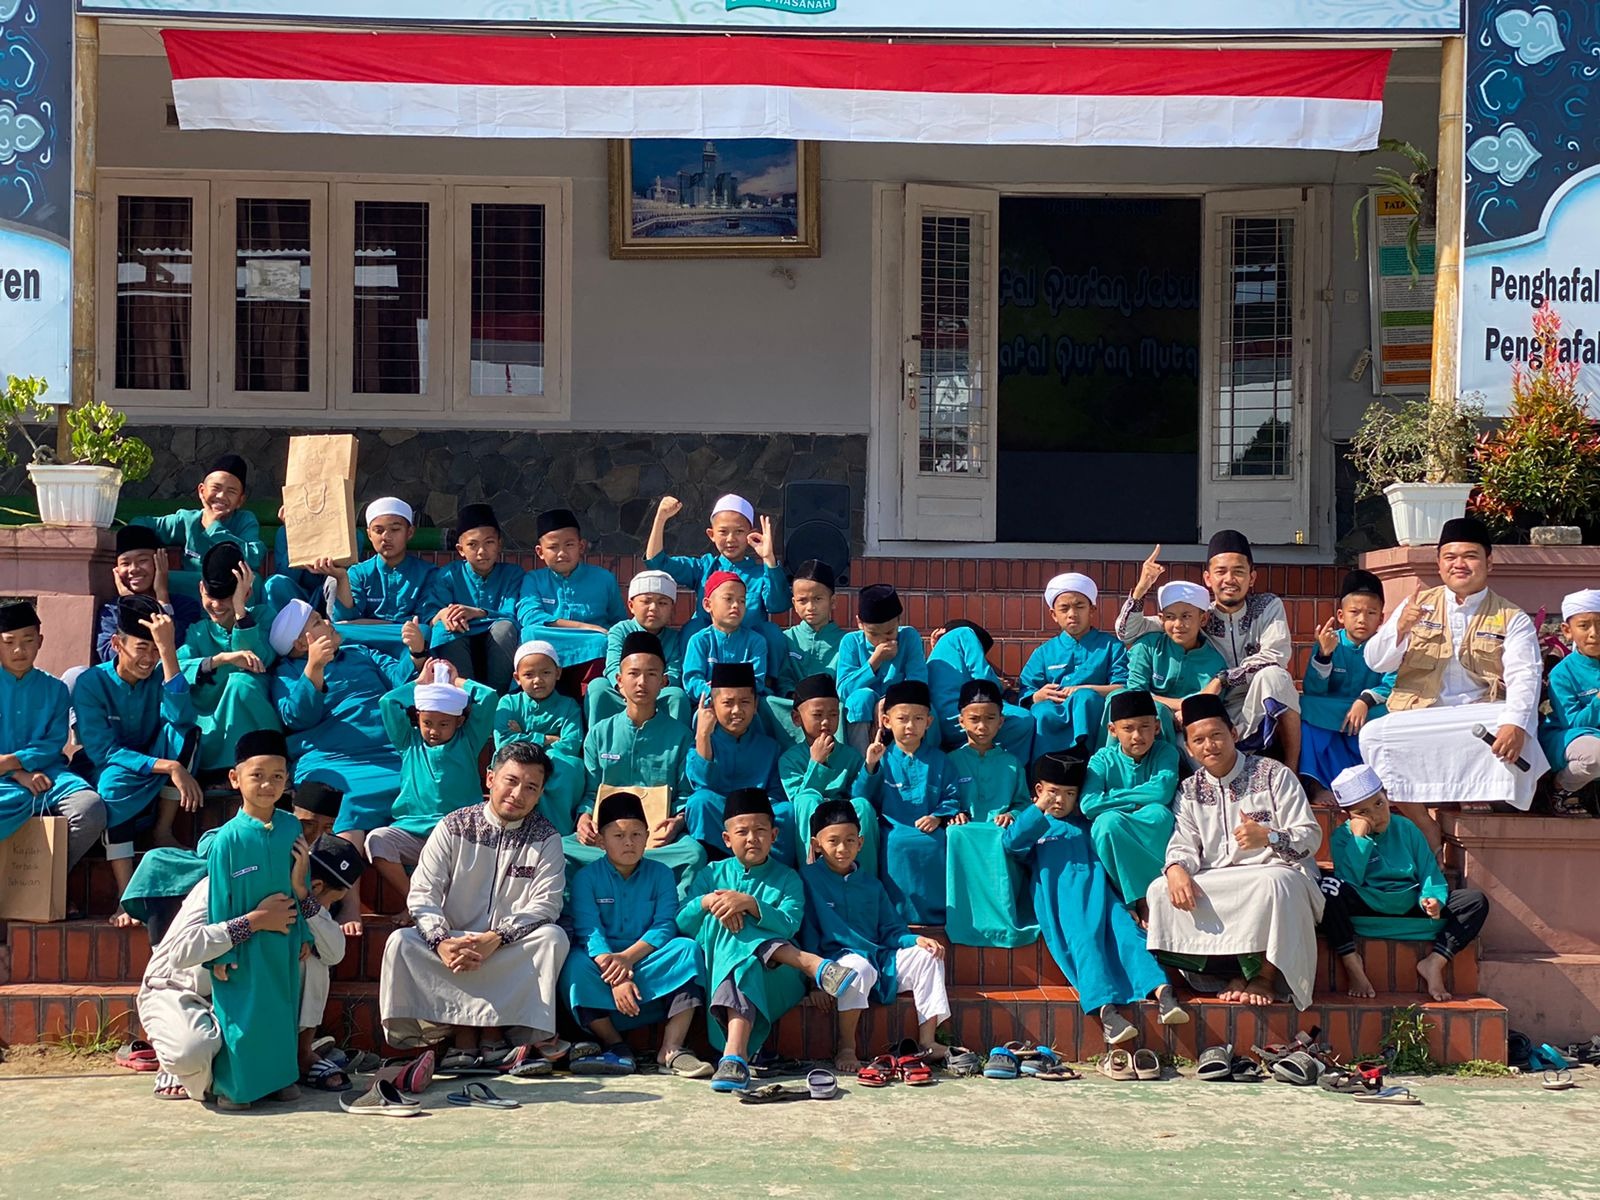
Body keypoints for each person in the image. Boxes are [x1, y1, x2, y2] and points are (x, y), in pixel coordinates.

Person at [379, 742, 572, 1076]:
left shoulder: (546, 837)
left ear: (540, 794)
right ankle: (462, 1035)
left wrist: (497, 936)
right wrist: (440, 942)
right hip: (450, 946)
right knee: (401, 944)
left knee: (552, 938)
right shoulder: (454, 826)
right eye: (511, 781)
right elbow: (423, 893)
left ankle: (495, 1035)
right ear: (490, 778)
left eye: (530, 787)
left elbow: (547, 903)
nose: (517, 794)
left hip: (507, 946)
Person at [1358, 516, 1547, 849]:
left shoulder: (1511, 616)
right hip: (1421, 714)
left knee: (1511, 724)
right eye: (1450, 557)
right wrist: (1401, 627)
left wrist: (1516, 725)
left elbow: (1524, 675)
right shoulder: (1416, 605)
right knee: (1374, 734)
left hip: (1478, 716)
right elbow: (1376, 660)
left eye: (1470, 556)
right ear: (1439, 563)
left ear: (1489, 561)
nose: (1459, 564)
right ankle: (1423, 823)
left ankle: (1482, 800)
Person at [1145, 693, 1325, 1009]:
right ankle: (1230, 973)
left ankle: (1265, 977)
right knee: (1160, 891)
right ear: (1188, 748)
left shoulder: (1273, 774)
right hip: (1218, 876)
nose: (1209, 745)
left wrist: (1268, 837)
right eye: (1198, 740)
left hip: (1276, 870)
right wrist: (1175, 868)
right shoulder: (1189, 790)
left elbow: (1309, 836)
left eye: (1216, 735)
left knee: (1274, 885)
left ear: (1234, 734)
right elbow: (1183, 842)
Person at [675, 787, 854, 1093]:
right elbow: (683, 924)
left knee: (735, 929)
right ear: (727, 839)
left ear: (774, 835)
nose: (752, 838)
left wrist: (750, 904)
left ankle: (733, 1057)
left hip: (778, 980)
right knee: (730, 935)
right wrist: (706, 902)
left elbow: (789, 924)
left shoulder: (788, 878)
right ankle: (813, 965)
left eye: (760, 830)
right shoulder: (709, 875)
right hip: (719, 973)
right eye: (742, 831)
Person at [1005, 751, 1186, 1045]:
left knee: (1130, 935)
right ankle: (1107, 1015)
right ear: (1038, 790)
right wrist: (1038, 809)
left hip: (1104, 896)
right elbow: (1012, 844)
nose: (1060, 800)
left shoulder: (1088, 825)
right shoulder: (1036, 827)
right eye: (1053, 792)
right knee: (1085, 944)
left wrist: (1126, 903)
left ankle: (1163, 993)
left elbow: (1114, 863)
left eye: (1069, 793)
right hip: (1064, 903)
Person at [558, 791, 713, 1079]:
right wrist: (616, 974)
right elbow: (588, 930)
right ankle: (615, 1045)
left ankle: (672, 1049)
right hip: (603, 964)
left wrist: (628, 960)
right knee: (574, 966)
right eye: (618, 835)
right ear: (601, 840)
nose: (628, 842)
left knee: (687, 950)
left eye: (636, 834)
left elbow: (666, 925)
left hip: (646, 957)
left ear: (647, 836)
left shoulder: (662, 874)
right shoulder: (586, 879)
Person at [1117, 536, 1303, 770]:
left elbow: (1275, 655)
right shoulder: (1196, 614)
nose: (1229, 580)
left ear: (1252, 577)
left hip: (1256, 698)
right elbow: (1127, 632)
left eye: (1238, 571)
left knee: (1277, 677)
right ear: (1208, 578)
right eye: (1221, 572)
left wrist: (1222, 679)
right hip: (1212, 706)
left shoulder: (1267, 607)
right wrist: (1142, 588)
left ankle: (1293, 767)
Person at [801, 799, 951, 1074]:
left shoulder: (871, 883)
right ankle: (846, 1046)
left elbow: (891, 929)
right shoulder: (807, 880)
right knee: (856, 970)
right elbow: (807, 932)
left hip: (880, 959)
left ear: (860, 842)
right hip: (838, 963)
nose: (842, 848)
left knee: (927, 956)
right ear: (816, 844)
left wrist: (914, 940)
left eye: (849, 840)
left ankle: (928, 1041)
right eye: (833, 841)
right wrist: (814, 982)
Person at [203, 728, 311, 1110]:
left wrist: (303, 934)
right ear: (235, 779)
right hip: (241, 948)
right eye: (257, 775)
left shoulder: (291, 826)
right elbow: (219, 901)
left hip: (282, 941)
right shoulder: (227, 839)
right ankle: (238, 1088)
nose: (267, 784)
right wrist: (219, 954)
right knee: (243, 1016)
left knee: (281, 1011)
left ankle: (281, 1079)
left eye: (277, 776)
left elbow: (303, 884)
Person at [1319, 764, 1490, 1002]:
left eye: (1378, 804)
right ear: (1350, 815)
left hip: (1410, 902)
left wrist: (1432, 898)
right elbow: (1349, 880)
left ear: (1387, 798)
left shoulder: (1406, 828)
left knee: (1475, 901)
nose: (1376, 815)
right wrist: (1360, 839)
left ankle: (1435, 962)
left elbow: (1429, 871)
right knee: (1327, 889)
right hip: (1368, 902)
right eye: (1363, 812)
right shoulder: (1343, 837)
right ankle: (1351, 961)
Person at [74, 595, 200, 919]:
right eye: (141, 649)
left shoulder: (160, 672)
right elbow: (103, 751)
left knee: (186, 734)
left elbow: (182, 716)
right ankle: (125, 893)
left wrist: (168, 653)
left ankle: (163, 829)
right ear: (117, 643)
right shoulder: (91, 682)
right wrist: (169, 766)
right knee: (114, 783)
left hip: (150, 759)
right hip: (111, 767)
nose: (149, 660)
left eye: (154, 650)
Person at [269, 601, 418, 861]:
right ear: (301, 644)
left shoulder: (358, 651)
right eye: (317, 621)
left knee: (425, 781)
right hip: (330, 759)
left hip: (388, 755)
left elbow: (400, 680)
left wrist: (416, 652)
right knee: (338, 800)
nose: (328, 622)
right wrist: (314, 669)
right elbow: (296, 718)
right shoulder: (287, 673)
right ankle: (345, 900)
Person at [568, 631, 705, 893]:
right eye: (633, 673)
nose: (642, 682)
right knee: (561, 849)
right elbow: (590, 791)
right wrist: (584, 819)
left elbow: (686, 794)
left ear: (664, 681)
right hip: (606, 837)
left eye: (652, 674)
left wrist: (677, 822)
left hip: (656, 838)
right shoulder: (600, 733)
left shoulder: (681, 736)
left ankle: (672, 920)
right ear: (619, 680)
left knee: (693, 855)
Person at [366, 660, 497, 910]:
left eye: (443, 724)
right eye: (427, 723)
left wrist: (457, 682)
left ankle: (448, 908)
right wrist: (420, 683)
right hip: (413, 831)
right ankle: (416, 903)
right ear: (418, 719)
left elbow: (488, 697)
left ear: (459, 722)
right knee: (377, 840)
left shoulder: (467, 741)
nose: (434, 731)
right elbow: (388, 703)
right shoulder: (409, 742)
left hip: (457, 833)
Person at [0, 601, 105, 871]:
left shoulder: (56, 689)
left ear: (40, 641)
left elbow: (51, 744)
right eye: (9, 641)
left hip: (48, 776)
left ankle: (49, 885)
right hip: (7, 780)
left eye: (28, 640)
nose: (19, 650)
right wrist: (17, 774)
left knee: (90, 809)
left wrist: (13, 761)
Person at [943, 679, 1038, 948]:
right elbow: (944, 800)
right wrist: (954, 813)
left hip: (999, 831)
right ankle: (967, 923)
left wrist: (1012, 815)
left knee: (1001, 838)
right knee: (956, 834)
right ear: (961, 721)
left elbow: (1023, 803)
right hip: (967, 831)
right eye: (974, 719)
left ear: (1001, 722)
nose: (982, 726)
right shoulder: (950, 761)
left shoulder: (1011, 764)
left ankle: (1002, 925)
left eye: (989, 718)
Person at [645, 492, 790, 668]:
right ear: (711, 534)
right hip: (711, 650)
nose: (731, 539)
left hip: (748, 651)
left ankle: (767, 687)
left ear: (751, 535)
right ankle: (692, 683)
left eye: (739, 531)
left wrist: (769, 558)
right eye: (723, 532)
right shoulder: (704, 567)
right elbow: (656, 562)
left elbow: (779, 605)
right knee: (693, 628)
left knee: (771, 632)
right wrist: (660, 518)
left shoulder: (761, 572)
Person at [857, 680, 959, 925]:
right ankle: (898, 917)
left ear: (929, 722)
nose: (910, 726)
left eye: (918, 719)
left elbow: (952, 795)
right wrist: (870, 765)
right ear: (887, 721)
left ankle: (937, 916)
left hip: (932, 830)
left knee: (938, 843)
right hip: (893, 829)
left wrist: (938, 816)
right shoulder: (883, 757)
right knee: (896, 846)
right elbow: (861, 797)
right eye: (902, 719)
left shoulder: (940, 760)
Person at [178, 542, 280, 780]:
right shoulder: (198, 631)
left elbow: (259, 659)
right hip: (210, 725)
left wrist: (240, 613)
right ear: (201, 589)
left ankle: (270, 762)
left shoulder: (263, 616)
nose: (216, 605)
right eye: (211, 596)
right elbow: (171, 669)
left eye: (227, 598)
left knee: (240, 683)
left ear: (246, 593)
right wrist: (220, 660)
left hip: (256, 726)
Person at [1081, 688, 1180, 915]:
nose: (1137, 736)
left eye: (1145, 727)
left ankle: (1153, 891)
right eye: (1128, 728)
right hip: (1115, 828)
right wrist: (1135, 803)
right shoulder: (1101, 759)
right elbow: (1088, 805)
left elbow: (1162, 793)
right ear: (1113, 730)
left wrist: (1113, 797)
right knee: (1108, 824)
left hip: (1148, 824)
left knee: (1158, 814)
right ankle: (1135, 899)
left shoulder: (1165, 752)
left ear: (1156, 727)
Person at [1300, 570, 1394, 800]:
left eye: (1371, 613)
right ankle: (1317, 785)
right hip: (1334, 711)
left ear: (1381, 618)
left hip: (1371, 710)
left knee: (1394, 713)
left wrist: (1365, 700)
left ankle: (1380, 786)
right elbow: (1314, 689)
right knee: (1306, 706)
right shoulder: (1331, 641)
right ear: (1341, 615)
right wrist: (1324, 655)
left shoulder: (1387, 645)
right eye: (1355, 612)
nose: (1362, 619)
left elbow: (1392, 682)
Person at [778, 673, 878, 878]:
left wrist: (869, 766)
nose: (826, 722)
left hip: (845, 822)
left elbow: (861, 793)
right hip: (814, 823)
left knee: (863, 805)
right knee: (807, 799)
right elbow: (798, 801)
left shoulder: (849, 755)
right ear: (797, 718)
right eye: (817, 715)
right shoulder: (790, 759)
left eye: (833, 715)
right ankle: (812, 874)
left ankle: (865, 877)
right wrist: (816, 762)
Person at [683, 662, 784, 861]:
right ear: (712, 705)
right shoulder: (701, 743)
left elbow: (776, 794)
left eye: (745, 702)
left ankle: (770, 872)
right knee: (699, 802)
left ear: (755, 705)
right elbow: (701, 784)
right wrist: (703, 734)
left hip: (758, 820)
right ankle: (713, 869)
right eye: (728, 703)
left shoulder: (769, 747)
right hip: (719, 816)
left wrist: (754, 816)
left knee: (786, 812)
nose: (737, 710)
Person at [423, 503, 527, 691]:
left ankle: (498, 697)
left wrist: (477, 612)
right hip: (461, 637)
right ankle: (467, 696)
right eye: (472, 544)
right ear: (461, 549)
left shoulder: (513, 574)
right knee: (446, 628)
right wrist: (443, 614)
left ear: (499, 544)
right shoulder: (448, 575)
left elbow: (513, 614)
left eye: (489, 543)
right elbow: (429, 616)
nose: (481, 551)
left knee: (505, 628)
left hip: (497, 639)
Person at [1020, 572, 1127, 755]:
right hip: (1053, 712)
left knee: (1085, 698)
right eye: (1064, 608)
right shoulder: (1044, 652)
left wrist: (1086, 689)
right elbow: (1026, 689)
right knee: (1042, 710)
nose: (1072, 614)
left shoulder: (1111, 646)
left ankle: (1085, 758)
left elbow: (1123, 686)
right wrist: (1037, 696)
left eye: (1079, 606)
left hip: (1094, 718)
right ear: (1053, 615)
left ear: (1092, 610)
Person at [131, 453, 265, 590]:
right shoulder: (187, 520)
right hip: (193, 587)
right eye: (216, 488)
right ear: (202, 491)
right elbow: (139, 524)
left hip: (230, 591)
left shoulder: (245, 520)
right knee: (157, 578)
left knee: (254, 582)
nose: (221, 496)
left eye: (231, 492)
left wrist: (214, 528)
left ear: (240, 501)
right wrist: (146, 556)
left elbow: (254, 559)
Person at [323, 497, 436, 657]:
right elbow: (344, 619)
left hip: (400, 639)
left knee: (422, 632)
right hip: (379, 637)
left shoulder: (428, 573)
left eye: (395, 529)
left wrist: (366, 624)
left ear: (409, 532)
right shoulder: (358, 572)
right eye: (378, 530)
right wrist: (342, 578)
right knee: (334, 631)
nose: (386, 537)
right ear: (369, 534)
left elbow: (422, 620)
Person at [294, 834, 364, 1091]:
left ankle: (302, 1054)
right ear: (317, 885)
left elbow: (334, 952)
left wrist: (305, 900)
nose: (330, 908)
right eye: (333, 901)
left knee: (317, 959)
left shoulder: (307, 896)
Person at [520, 507, 625, 674]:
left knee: (603, 641)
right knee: (530, 633)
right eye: (553, 547)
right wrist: (586, 627)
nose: (562, 553)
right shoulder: (534, 579)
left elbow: (619, 621)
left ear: (581, 546)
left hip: (591, 646)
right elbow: (530, 616)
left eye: (569, 545)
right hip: (552, 642)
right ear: (540, 552)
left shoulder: (604, 578)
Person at [496, 640, 586, 835]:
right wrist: (547, 739)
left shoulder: (568, 706)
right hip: (516, 760)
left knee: (566, 767)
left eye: (545, 673)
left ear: (558, 673)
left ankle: (557, 833)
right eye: (529, 675)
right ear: (517, 678)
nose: (537, 680)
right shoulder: (509, 703)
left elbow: (571, 744)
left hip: (559, 762)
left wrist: (522, 737)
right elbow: (503, 743)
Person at [1121, 580, 1226, 747]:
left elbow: (1208, 704)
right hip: (1142, 728)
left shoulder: (1215, 662)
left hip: (1191, 730)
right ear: (1161, 619)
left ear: (1203, 618)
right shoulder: (1147, 646)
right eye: (1170, 617)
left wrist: (1187, 710)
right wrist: (1181, 704)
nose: (1178, 624)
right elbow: (1135, 693)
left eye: (1186, 616)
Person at [588, 569, 690, 728]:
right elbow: (613, 665)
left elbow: (674, 671)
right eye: (646, 601)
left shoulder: (674, 638)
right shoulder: (620, 630)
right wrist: (626, 691)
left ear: (672, 608)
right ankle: (599, 744)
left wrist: (650, 692)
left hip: (657, 694)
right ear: (631, 605)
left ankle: (674, 749)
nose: (654, 608)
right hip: (622, 694)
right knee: (598, 687)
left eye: (662, 603)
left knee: (676, 695)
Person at [764, 558, 847, 748]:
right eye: (803, 600)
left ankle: (837, 761)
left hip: (831, 709)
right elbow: (784, 677)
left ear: (833, 601)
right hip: (794, 705)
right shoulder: (787, 638)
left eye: (818, 599)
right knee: (767, 703)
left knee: (841, 709)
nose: (810, 607)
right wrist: (793, 695)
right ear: (793, 602)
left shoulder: (845, 642)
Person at [836, 584, 927, 752]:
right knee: (860, 698)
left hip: (899, 713)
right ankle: (862, 764)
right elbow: (844, 690)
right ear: (860, 624)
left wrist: (889, 700)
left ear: (899, 621)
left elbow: (918, 682)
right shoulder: (850, 642)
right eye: (874, 634)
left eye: (890, 632)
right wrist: (874, 661)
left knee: (917, 706)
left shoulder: (909, 637)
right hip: (862, 717)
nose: (882, 640)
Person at [927, 620, 1033, 762]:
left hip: (938, 727)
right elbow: (983, 677)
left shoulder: (937, 655)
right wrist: (1001, 685)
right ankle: (1009, 770)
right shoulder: (964, 633)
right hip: (961, 720)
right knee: (1024, 720)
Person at [96, 525, 203, 663]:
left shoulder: (185, 606)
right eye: (125, 563)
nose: (134, 569)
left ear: (160, 563)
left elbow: (179, 646)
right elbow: (110, 656)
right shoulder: (111, 612)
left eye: (142, 561)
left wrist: (162, 597)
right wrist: (131, 604)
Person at [1540, 589, 1600, 815]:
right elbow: (1573, 723)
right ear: (1567, 631)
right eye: (1584, 626)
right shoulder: (1562, 673)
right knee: (1596, 755)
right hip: (1573, 736)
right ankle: (1561, 788)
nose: (1594, 633)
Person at [681, 573, 771, 705]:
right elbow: (692, 680)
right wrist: (717, 695)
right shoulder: (699, 641)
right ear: (707, 605)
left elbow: (757, 681)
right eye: (728, 599)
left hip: (745, 705)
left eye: (742, 601)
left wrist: (732, 695)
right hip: (710, 703)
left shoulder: (756, 642)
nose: (736, 605)